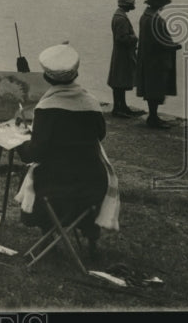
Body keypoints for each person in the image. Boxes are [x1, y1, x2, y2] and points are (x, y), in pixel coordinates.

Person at [15, 44, 120, 258]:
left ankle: (49, 233)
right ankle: (91, 240)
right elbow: (100, 135)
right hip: (92, 185)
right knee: (74, 178)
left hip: (57, 186)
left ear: (47, 78)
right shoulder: (91, 103)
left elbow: (35, 154)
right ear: (76, 74)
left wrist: (18, 141)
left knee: (32, 177)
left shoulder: (46, 108)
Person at [136, 0, 182, 129]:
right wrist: (175, 46)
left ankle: (153, 116)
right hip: (157, 61)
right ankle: (153, 118)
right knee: (156, 89)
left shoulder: (145, 16)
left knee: (151, 89)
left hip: (147, 59)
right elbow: (160, 41)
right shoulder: (155, 19)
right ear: (159, 4)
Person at [108, 0, 141, 118]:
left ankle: (122, 107)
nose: (133, 6)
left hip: (120, 54)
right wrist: (134, 38)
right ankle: (118, 108)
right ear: (127, 4)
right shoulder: (121, 18)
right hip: (123, 55)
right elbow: (121, 38)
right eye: (132, 3)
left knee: (119, 81)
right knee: (119, 82)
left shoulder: (119, 16)